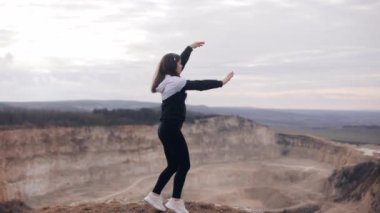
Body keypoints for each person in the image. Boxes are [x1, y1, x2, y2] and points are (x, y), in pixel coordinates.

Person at [144, 41, 234, 213]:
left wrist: (189, 49)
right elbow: (198, 85)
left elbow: (180, 63)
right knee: (184, 165)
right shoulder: (176, 83)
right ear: (173, 66)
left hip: (165, 129)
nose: (181, 65)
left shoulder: (167, 80)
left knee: (173, 166)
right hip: (171, 129)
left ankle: (154, 195)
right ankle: (175, 201)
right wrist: (221, 82)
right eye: (178, 63)